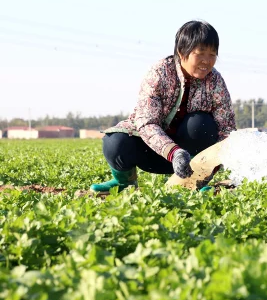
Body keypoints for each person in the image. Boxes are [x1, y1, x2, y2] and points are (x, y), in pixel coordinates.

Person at [90, 20, 236, 194]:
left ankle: (192, 183)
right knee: (115, 142)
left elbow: (226, 128)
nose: (207, 61)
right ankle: (124, 183)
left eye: (213, 54)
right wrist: (173, 152)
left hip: (191, 158)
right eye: (201, 53)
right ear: (182, 53)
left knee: (201, 124)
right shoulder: (160, 73)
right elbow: (147, 122)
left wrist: (222, 161)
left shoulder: (215, 81)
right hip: (153, 151)